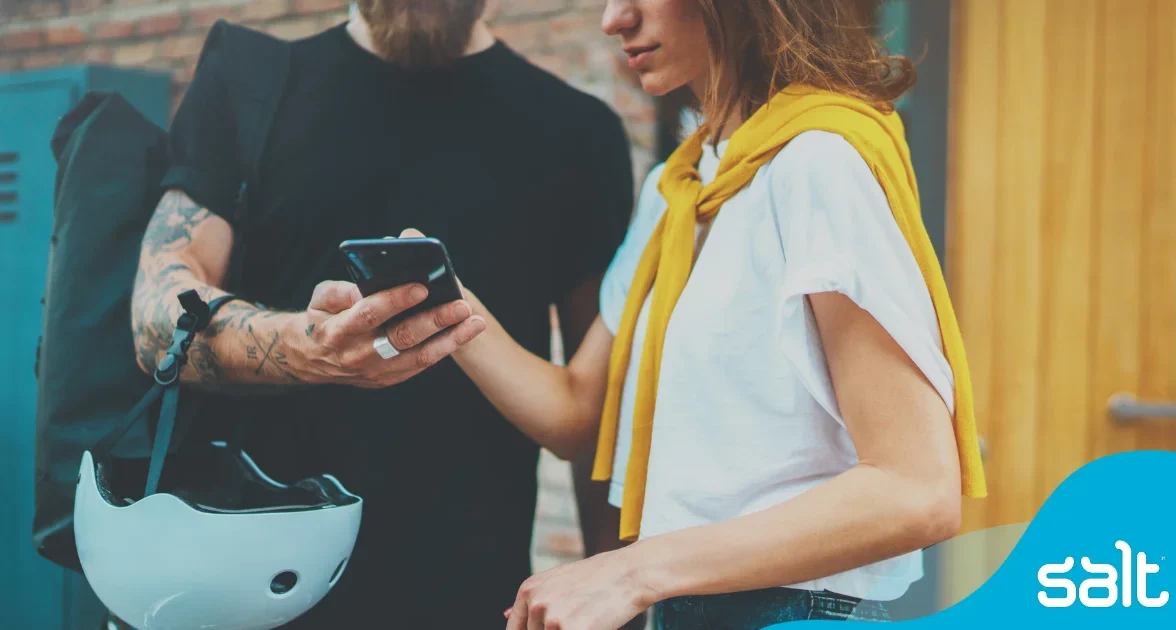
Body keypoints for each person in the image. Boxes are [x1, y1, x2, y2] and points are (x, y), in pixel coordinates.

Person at [445, 0, 989, 628]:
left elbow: (915, 490)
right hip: (686, 605)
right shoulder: (676, 194)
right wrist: (451, 313)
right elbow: (577, 413)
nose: (613, 19)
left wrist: (631, 570)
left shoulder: (818, 165)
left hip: (799, 608)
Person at [125, 1, 636, 627]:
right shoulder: (248, 81)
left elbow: (606, 419)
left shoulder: (579, 132)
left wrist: (615, 598)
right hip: (240, 591)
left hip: (471, 599)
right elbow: (155, 318)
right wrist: (303, 347)